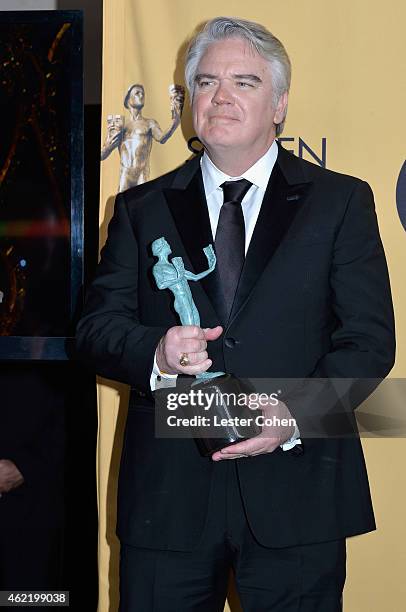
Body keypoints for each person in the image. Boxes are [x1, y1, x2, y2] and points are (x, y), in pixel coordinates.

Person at [76, 16, 395, 611]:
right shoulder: (141, 208)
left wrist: (291, 413)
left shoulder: (340, 201)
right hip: (168, 504)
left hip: (298, 494)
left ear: (279, 105)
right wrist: (157, 350)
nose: (220, 96)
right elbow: (94, 330)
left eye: (244, 82)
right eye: (206, 81)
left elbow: (369, 343)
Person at [101, 83, 185, 191]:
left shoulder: (149, 123)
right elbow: (102, 155)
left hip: (142, 174)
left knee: (142, 205)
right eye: (137, 93)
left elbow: (162, 138)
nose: (141, 96)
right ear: (128, 100)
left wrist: (175, 123)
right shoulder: (122, 124)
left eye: (142, 94)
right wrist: (107, 146)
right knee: (121, 205)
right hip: (125, 175)